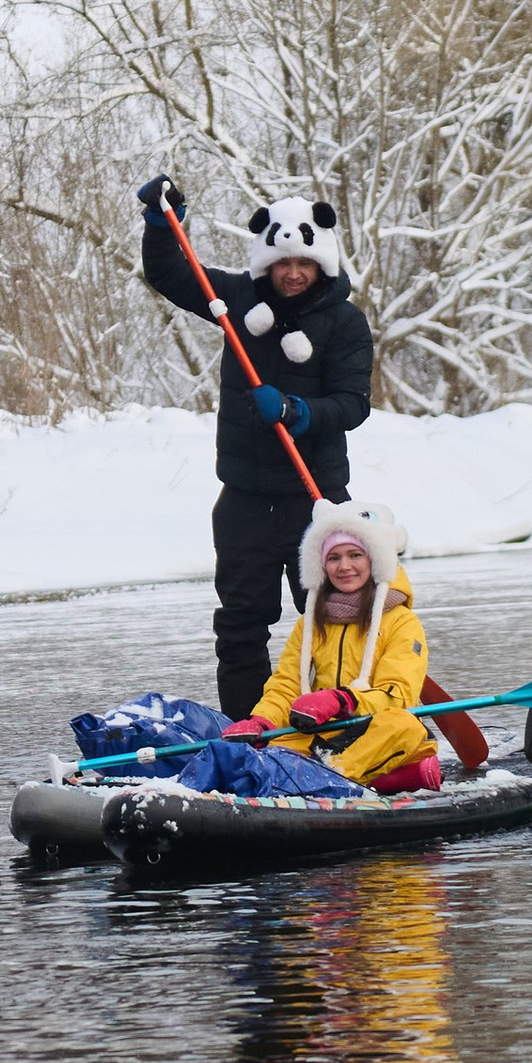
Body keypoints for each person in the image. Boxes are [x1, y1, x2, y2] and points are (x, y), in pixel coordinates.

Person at [135, 180, 375, 709]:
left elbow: (354, 403)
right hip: (244, 498)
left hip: (316, 498)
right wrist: (160, 225)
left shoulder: (345, 322)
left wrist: (298, 412)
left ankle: (339, 724)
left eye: (303, 263)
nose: (292, 273)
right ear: (267, 260)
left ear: (322, 263)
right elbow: (171, 274)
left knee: (332, 620)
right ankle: (249, 733)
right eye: (282, 262)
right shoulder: (238, 300)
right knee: (241, 624)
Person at [235, 501, 445, 793]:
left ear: (375, 559)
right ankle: (389, 779)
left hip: (377, 731)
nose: (344, 567)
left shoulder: (402, 622)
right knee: (270, 749)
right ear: (322, 565)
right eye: (334, 557)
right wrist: (262, 721)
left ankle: (325, 778)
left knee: (404, 725)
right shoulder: (308, 623)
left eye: (355, 555)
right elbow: (285, 686)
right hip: (324, 732)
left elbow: (398, 695)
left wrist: (343, 700)